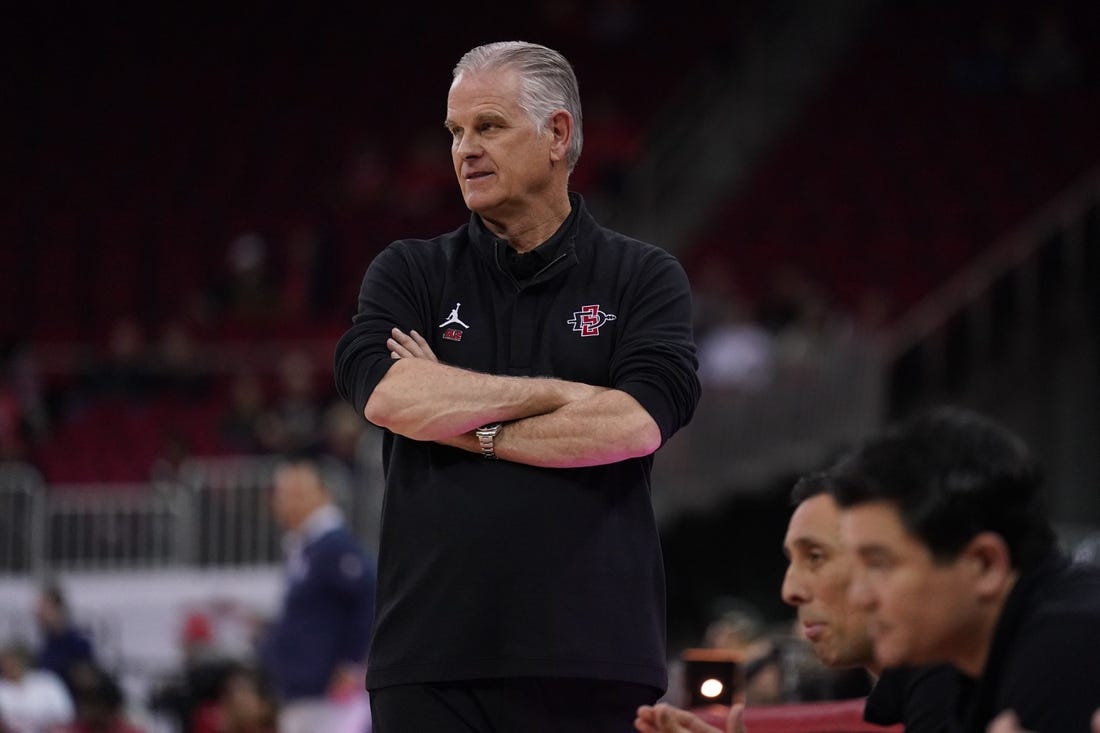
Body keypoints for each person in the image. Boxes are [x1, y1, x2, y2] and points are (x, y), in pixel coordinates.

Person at [333, 40, 701, 732]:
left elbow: (633, 424)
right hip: (430, 660)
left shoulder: (644, 278)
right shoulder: (407, 271)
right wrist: (561, 394)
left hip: (597, 658)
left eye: (489, 126)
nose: (464, 149)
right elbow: (388, 396)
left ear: (558, 134)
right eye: (455, 132)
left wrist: (456, 409)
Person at [831, 406, 1100, 733]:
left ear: (985, 564)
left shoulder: (1066, 653)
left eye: (879, 564)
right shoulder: (981, 657)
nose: (859, 597)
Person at [635, 474, 957, 733]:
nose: (790, 591)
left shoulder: (954, 696)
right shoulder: (917, 697)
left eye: (815, 557)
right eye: (791, 561)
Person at [259, 457, 375, 733]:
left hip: (329, 701)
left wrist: (352, 663)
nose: (283, 503)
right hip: (304, 694)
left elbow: (369, 594)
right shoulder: (306, 548)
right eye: (281, 494)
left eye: (293, 493)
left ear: (321, 495)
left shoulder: (333, 546)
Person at [33, 583, 96, 696]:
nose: (38, 614)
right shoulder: (44, 645)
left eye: (44, 608)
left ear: (59, 609)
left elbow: (87, 683)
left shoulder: (78, 643)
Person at [0, 640, 74, 733]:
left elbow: (65, 714)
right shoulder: (2, 688)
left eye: (13, 661)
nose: (9, 666)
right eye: (4, 663)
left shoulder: (47, 680)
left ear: (22, 660)